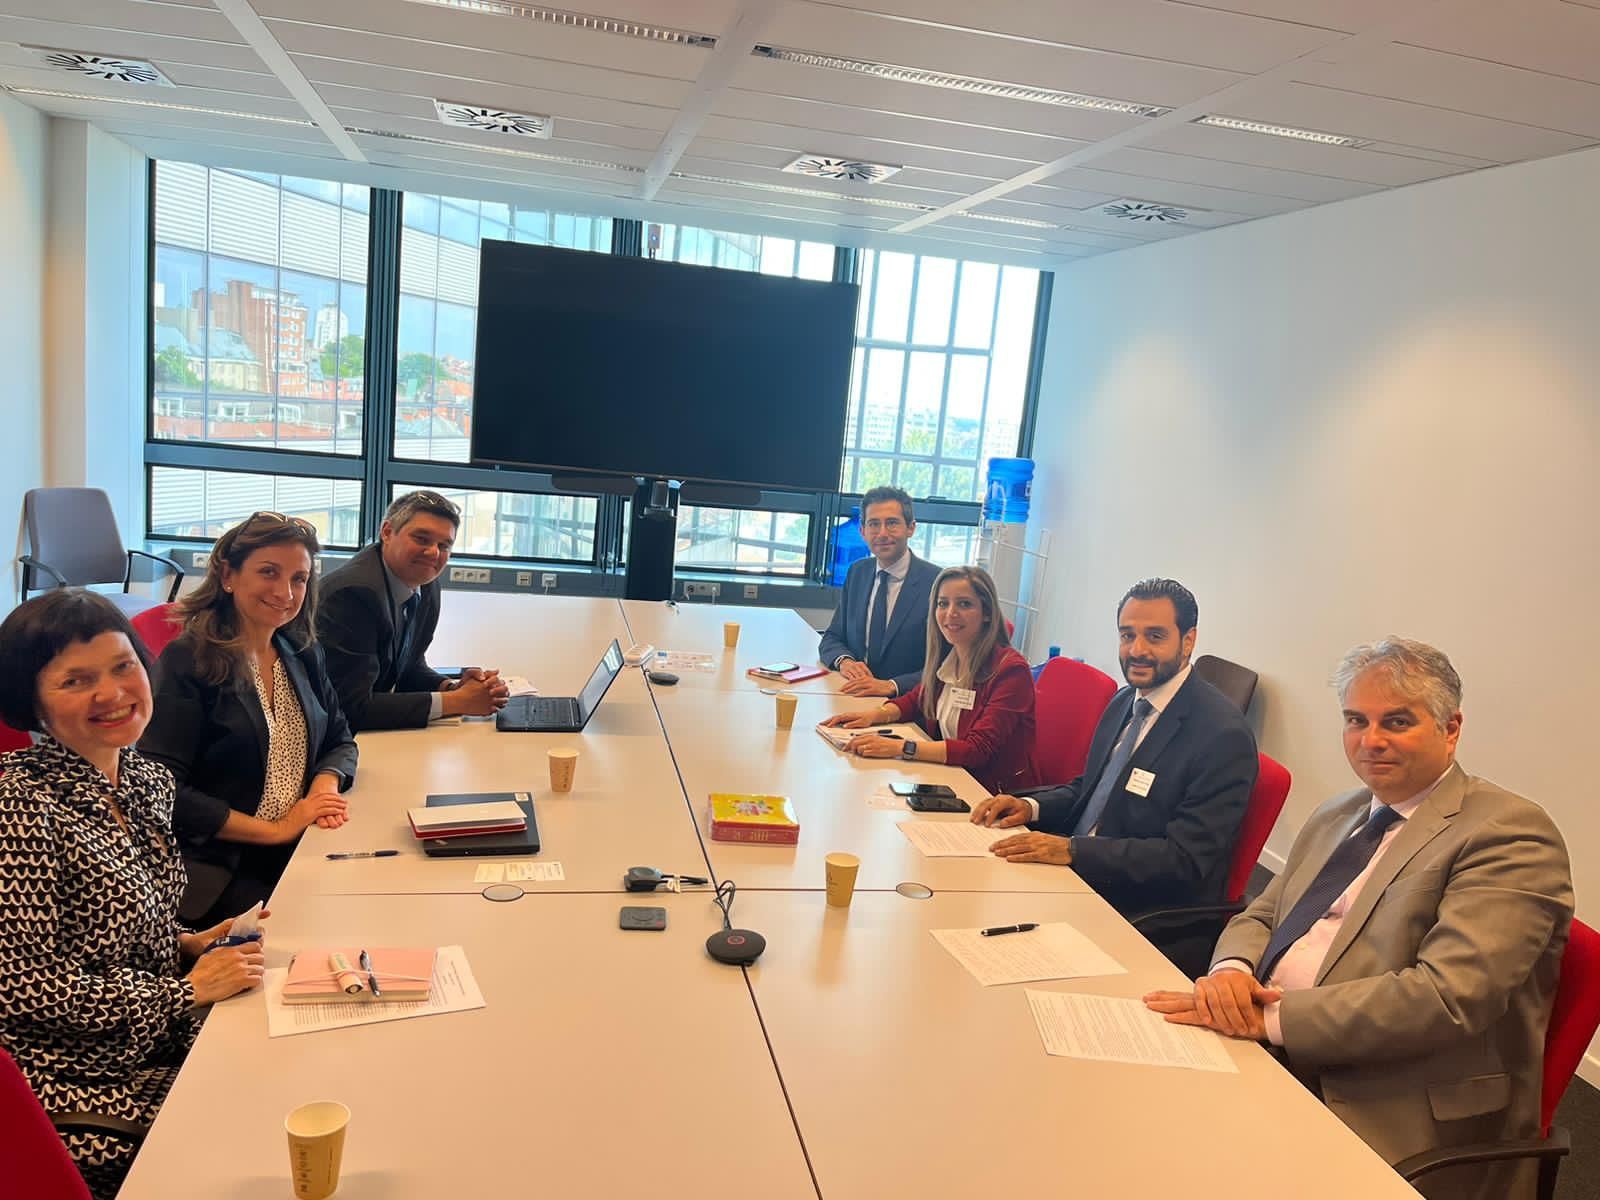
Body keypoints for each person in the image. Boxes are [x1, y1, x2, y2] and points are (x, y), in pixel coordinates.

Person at [1144, 638, 1572, 1200]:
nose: (1371, 741)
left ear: (1450, 728)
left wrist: (1270, 1021)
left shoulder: (1509, 833)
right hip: (1264, 1046)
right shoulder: (1338, 813)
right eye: (1356, 720)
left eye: (1397, 721)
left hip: (1386, 1099)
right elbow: (1265, 911)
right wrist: (1230, 971)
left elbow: (1447, 997)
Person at [0, 590, 264, 1199]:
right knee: (248, 1139)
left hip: (153, 1032)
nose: (113, 693)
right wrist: (185, 991)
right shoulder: (19, 810)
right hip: (76, 1075)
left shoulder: (145, 778)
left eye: (123, 666)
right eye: (76, 680)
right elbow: (24, 990)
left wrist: (187, 942)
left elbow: (114, 924)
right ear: (31, 701)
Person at [972, 578, 1257, 918]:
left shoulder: (1222, 736)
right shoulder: (1125, 701)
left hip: (1134, 904)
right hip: (1074, 874)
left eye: (1155, 636)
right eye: (1127, 635)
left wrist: (1073, 851)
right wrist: (1030, 807)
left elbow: (1185, 859)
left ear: (1188, 641)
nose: (1137, 650)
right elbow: (1092, 790)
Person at [141, 512, 358, 926]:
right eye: (268, 572)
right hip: (219, 869)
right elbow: (162, 791)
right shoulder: (189, 660)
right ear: (228, 575)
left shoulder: (300, 652)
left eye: (299, 579)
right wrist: (276, 830)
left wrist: (322, 792)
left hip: (300, 845)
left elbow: (340, 737)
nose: (285, 592)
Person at [821, 566, 1035, 794]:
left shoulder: (1011, 671)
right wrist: (872, 716)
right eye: (943, 603)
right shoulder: (952, 655)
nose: (951, 613)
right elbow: (917, 700)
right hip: (951, 777)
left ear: (987, 613)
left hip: (991, 793)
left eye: (964, 604)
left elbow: (977, 749)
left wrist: (901, 748)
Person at [316, 489, 509, 731]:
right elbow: (351, 707)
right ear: (387, 532)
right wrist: (457, 702)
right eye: (422, 539)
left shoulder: (427, 586)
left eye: (444, 545)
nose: (434, 553)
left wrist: (452, 688)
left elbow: (408, 667)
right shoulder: (352, 594)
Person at [818, 486, 941, 698]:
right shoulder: (857, 572)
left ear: (911, 528)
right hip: (854, 695)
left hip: (908, 703)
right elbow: (832, 637)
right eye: (874, 524)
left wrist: (892, 685)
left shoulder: (937, 583)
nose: (882, 533)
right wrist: (845, 661)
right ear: (862, 531)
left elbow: (948, 665)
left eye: (892, 523)